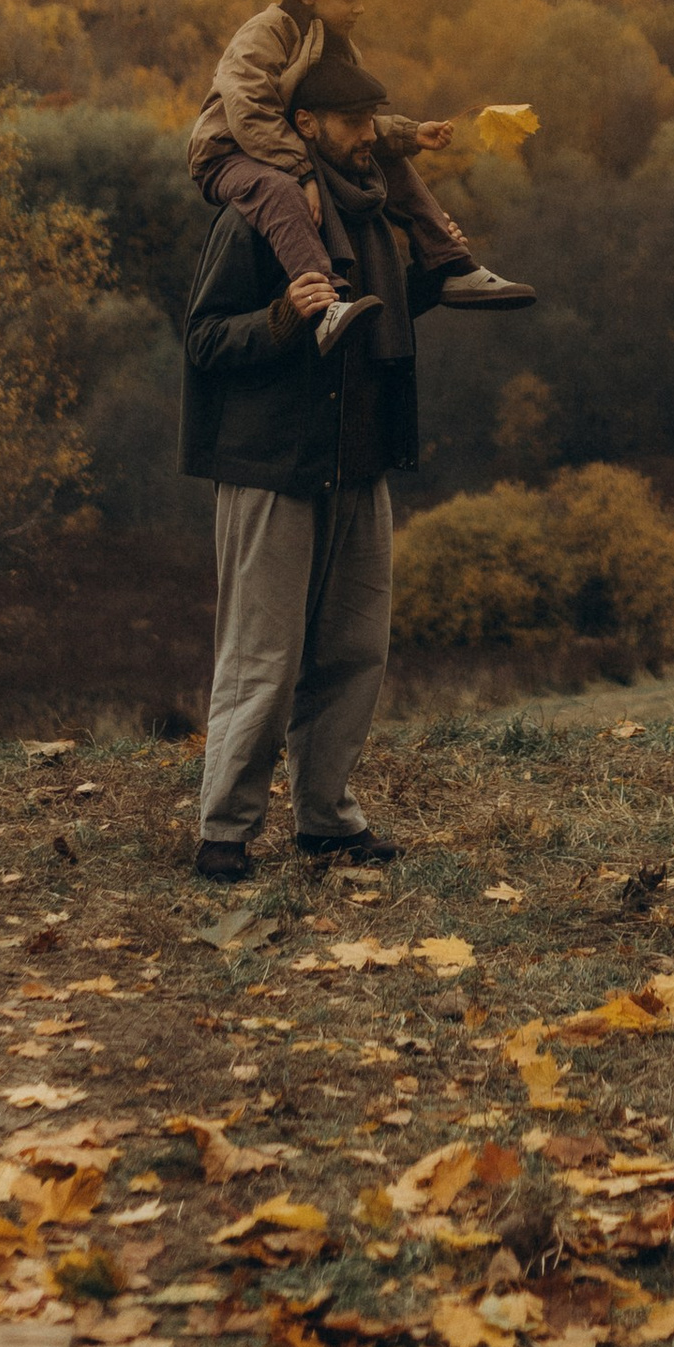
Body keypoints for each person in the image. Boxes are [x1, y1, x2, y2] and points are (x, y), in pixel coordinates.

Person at [180, 45, 457, 881]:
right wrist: (279, 318)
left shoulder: (373, 216)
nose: (369, 136)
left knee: (352, 651)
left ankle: (328, 821)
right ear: (305, 126)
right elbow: (201, 338)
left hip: (359, 464)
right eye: (352, 122)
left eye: (373, 120)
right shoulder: (254, 218)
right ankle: (223, 831)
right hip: (272, 467)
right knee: (263, 656)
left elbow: (384, 324)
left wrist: (438, 270)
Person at [188, 0, 531, 345]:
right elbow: (250, 110)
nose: (360, 8)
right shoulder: (266, 33)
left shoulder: (339, 45)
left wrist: (407, 133)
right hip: (231, 153)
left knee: (388, 160)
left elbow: (343, 125)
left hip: (285, 146)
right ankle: (324, 302)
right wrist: (304, 174)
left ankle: (449, 264)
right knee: (278, 190)